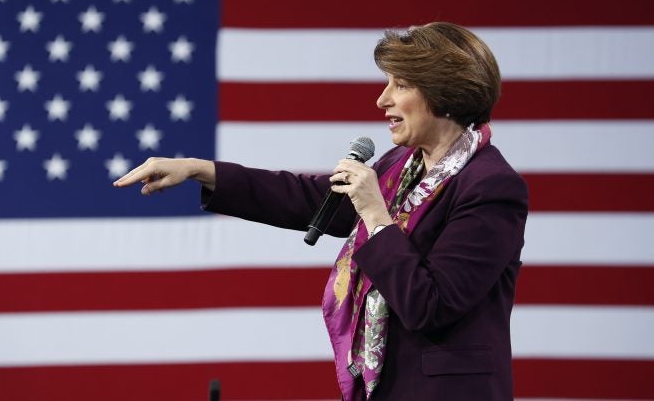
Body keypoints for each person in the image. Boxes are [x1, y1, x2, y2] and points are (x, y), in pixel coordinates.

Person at [113, 22, 528, 401]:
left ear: (443, 92)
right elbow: (310, 198)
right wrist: (201, 170)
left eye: (399, 85)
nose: (382, 99)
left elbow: (430, 305)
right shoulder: (400, 166)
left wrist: (375, 215)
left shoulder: (490, 186)